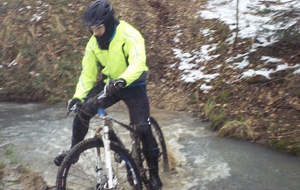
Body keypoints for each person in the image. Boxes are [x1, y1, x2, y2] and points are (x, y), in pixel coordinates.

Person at [53, 0, 162, 189]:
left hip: (134, 84)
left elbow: (138, 63)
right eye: (92, 29)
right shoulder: (93, 44)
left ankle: (154, 175)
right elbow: (87, 74)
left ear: (109, 22)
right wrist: (78, 97)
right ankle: (74, 152)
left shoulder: (129, 34)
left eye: (98, 28)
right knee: (82, 112)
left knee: (143, 128)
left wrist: (123, 80)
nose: (95, 33)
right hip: (109, 85)